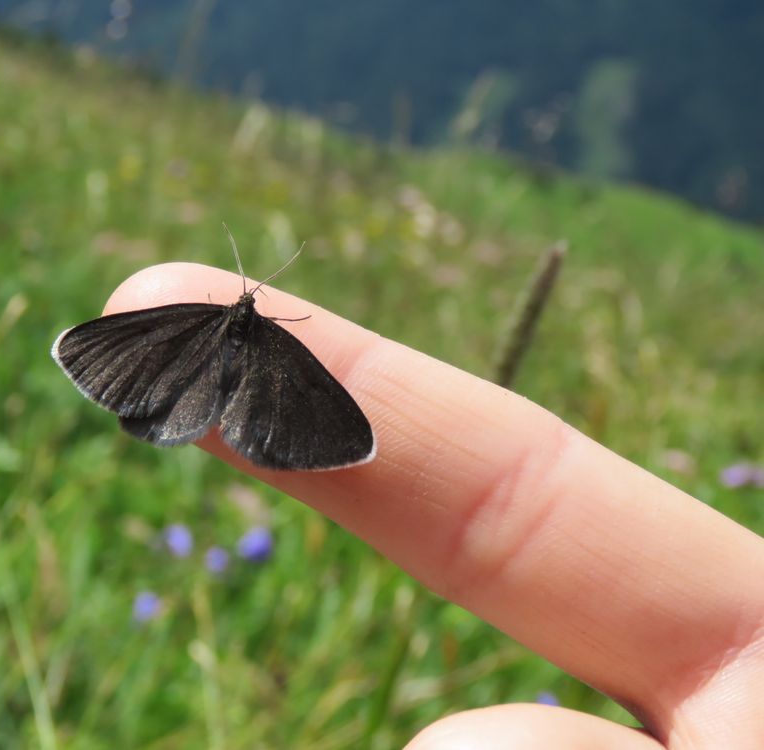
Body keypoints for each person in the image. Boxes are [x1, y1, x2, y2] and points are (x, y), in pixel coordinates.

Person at [106, 262, 764, 750]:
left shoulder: (216, 327)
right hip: (262, 384)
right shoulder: (282, 343)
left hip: (210, 376)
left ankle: (199, 410)